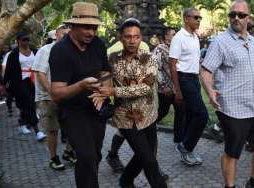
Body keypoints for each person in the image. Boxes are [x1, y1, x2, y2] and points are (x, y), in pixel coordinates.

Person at [200, 1, 254, 187]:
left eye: (241, 15)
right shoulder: (220, 42)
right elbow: (205, 70)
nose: (236, 17)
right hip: (232, 108)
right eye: (232, 14)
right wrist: (210, 90)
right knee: (233, 152)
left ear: (248, 18)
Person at [91, 18, 167, 188]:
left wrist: (114, 91)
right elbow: (103, 79)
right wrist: (102, 89)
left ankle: (125, 180)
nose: (132, 41)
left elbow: (145, 88)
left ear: (141, 38)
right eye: (128, 37)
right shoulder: (111, 59)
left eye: (136, 37)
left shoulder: (150, 59)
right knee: (149, 161)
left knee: (143, 156)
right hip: (125, 118)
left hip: (148, 115)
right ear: (120, 38)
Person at [49, 2, 111, 187]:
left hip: (97, 109)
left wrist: (104, 91)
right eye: (86, 27)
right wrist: (81, 85)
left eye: (94, 27)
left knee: (95, 156)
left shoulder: (98, 44)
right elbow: (57, 94)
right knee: (86, 156)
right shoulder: (60, 51)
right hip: (73, 113)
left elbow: (106, 72)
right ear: (72, 26)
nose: (91, 32)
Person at [32, 25, 77, 171]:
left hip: (66, 95)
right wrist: (53, 93)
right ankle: (53, 158)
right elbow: (40, 74)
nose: (66, 38)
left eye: (69, 35)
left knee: (73, 125)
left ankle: (69, 152)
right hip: (47, 97)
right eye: (63, 35)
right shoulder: (45, 50)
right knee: (53, 130)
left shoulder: (71, 51)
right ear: (56, 35)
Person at [169, 7, 208, 166]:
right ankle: (185, 147)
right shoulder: (179, 37)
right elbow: (172, 65)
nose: (199, 20)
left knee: (192, 115)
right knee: (202, 115)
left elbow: (196, 61)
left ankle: (185, 149)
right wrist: (177, 89)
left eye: (200, 18)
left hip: (194, 78)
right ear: (186, 18)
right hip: (184, 79)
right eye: (195, 17)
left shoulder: (194, 37)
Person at [3, 31, 46, 141]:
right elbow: (8, 71)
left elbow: (42, 64)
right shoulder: (13, 54)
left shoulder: (34, 51)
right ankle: (38, 131)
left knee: (30, 104)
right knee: (29, 105)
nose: (26, 42)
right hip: (20, 83)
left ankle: (22, 122)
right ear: (18, 41)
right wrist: (4, 85)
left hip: (34, 81)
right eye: (24, 40)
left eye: (28, 39)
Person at [154, 27, 185, 145]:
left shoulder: (177, 49)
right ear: (166, 36)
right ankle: (151, 125)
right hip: (165, 90)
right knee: (163, 111)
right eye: (173, 34)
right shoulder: (160, 49)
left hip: (177, 88)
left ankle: (179, 140)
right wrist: (163, 85)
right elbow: (156, 68)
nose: (176, 36)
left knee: (181, 112)